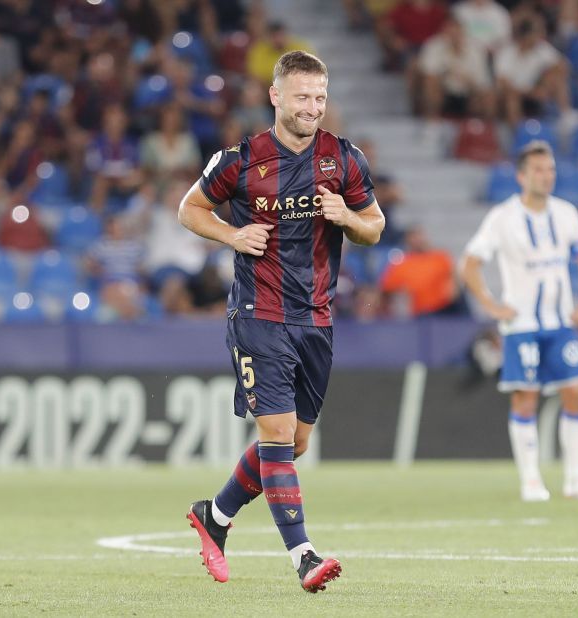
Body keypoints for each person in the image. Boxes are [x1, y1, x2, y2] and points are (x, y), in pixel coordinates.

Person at [178, 51, 385, 591]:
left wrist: (349, 218)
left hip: (316, 318)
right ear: (276, 96)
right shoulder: (241, 160)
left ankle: (214, 516)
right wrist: (232, 234)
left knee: (292, 444)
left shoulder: (343, 159)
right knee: (275, 431)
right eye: (302, 97)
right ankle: (304, 556)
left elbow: (376, 225)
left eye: (320, 97)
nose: (313, 108)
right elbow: (190, 209)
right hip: (258, 313)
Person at [459, 140, 578, 503]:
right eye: (539, 170)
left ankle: (576, 479)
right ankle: (531, 481)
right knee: (525, 398)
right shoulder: (503, 217)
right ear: (522, 176)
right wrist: (491, 305)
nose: (547, 177)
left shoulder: (566, 213)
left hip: (560, 323)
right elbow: (469, 263)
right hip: (522, 324)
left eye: (551, 170)